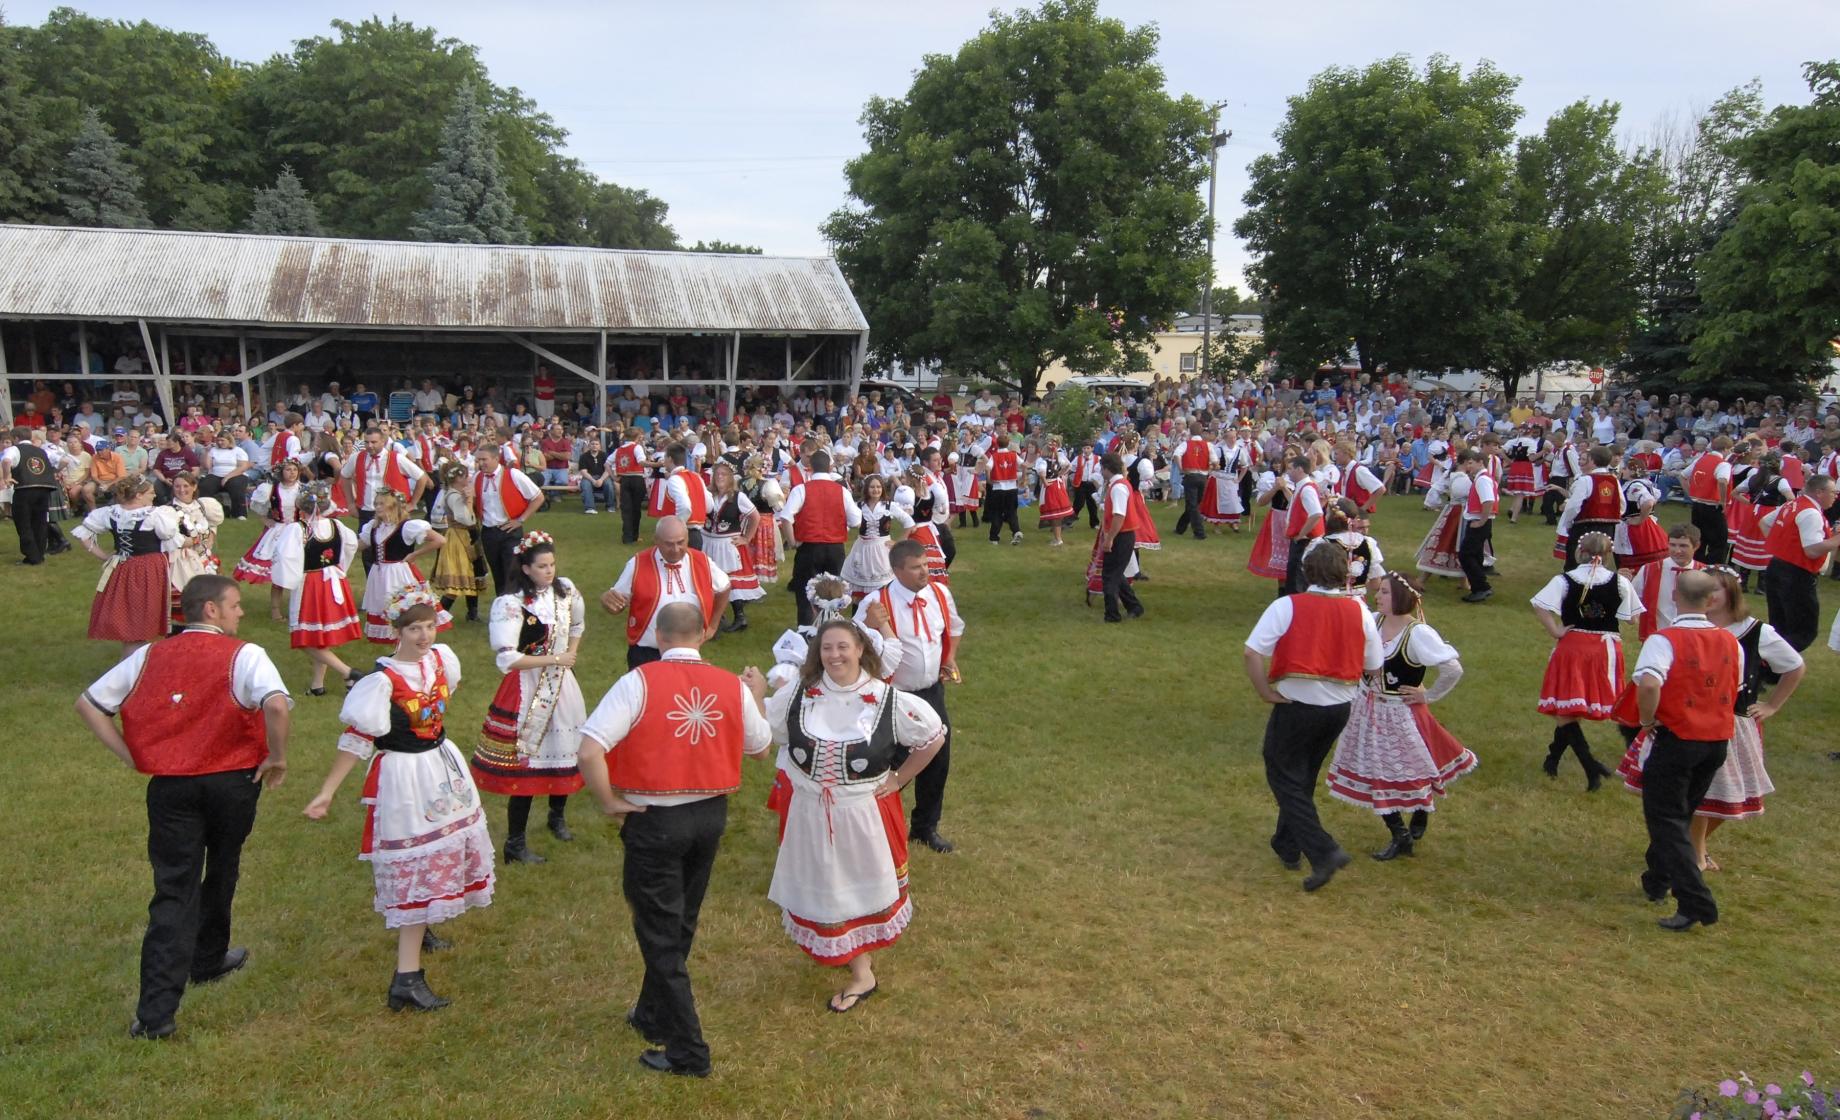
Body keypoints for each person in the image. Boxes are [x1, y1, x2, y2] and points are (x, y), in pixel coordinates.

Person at [74, 574, 291, 1039]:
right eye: (234, 605)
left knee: (174, 889)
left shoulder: (150, 653)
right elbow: (275, 705)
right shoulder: (245, 654)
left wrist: (132, 755)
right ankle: (208, 958)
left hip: (171, 786)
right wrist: (277, 756)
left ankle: (156, 1015)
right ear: (211, 610)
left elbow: (89, 704)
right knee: (224, 863)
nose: (240, 612)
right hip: (233, 781)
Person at [575, 602, 773, 1078]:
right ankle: (651, 1013)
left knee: (659, 932)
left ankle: (688, 1050)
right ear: (704, 634)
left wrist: (609, 802)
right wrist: (758, 696)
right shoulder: (731, 685)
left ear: (658, 637)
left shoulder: (638, 682)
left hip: (655, 818)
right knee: (680, 919)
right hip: (709, 816)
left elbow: (589, 750)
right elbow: (762, 747)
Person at [303, 586, 494, 1009]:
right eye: (414, 629)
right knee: (417, 861)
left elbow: (440, 702)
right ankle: (406, 979)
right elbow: (358, 738)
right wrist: (326, 792)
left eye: (429, 626)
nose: (424, 636)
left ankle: (420, 929)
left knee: (441, 851)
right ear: (397, 630)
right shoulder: (380, 681)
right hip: (404, 776)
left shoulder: (443, 660)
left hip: (440, 765)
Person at [764, 617, 946, 1012]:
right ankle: (851, 960)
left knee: (855, 889)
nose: (835, 655)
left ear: (861, 649)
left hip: (861, 815)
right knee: (826, 885)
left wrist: (898, 778)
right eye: (827, 648)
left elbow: (933, 736)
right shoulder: (799, 694)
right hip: (811, 812)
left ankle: (863, 973)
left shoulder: (886, 699)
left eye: (843, 647)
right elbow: (771, 738)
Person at [1617, 566, 1802, 872]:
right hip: (1685, 719)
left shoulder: (1755, 631)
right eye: (1708, 589)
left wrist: (1772, 705)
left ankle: (1688, 848)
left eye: (1718, 589)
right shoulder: (1687, 627)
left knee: (1721, 796)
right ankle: (1688, 851)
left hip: (1731, 722)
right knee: (1691, 794)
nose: (1711, 595)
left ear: (1732, 592)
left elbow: (1795, 665)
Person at [1243, 544, 1383, 892]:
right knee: (1302, 774)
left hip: (1296, 704)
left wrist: (1264, 691)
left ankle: (1323, 850)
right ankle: (1288, 845)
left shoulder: (1287, 605)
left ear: (1307, 571)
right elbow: (1374, 665)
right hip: (1338, 708)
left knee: (1282, 772)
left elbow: (1252, 652)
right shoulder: (1359, 610)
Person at [1325, 572, 1476, 859]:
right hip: (1368, 708)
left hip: (1399, 712)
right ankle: (1404, 830)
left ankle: (1412, 821)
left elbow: (1452, 669)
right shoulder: (1374, 620)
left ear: (1401, 598)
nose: (1377, 596)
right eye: (1379, 591)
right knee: (1377, 769)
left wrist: (1427, 695)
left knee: (1406, 767)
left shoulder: (1417, 633)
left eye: (1384, 592)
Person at [1628, 571, 1740, 932]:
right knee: (1681, 812)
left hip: (1679, 738)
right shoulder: (1729, 641)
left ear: (1675, 596)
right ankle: (1656, 879)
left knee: (1666, 820)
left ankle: (1696, 902)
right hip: (1717, 742)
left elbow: (1648, 684)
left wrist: (1647, 720)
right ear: (1711, 601)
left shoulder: (1665, 640)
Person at [472, 532, 588, 866]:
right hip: (526, 687)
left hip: (563, 684)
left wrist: (569, 655)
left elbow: (577, 625)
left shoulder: (565, 591)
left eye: (551, 564)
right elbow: (507, 659)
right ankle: (515, 841)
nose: (549, 571)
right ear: (525, 568)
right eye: (541, 566)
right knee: (527, 762)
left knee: (564, 750)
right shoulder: (511, 604)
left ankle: (556, 816)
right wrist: (554, 660)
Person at [857, 539, 966, 854]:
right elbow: (855, 643)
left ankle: (925, 828)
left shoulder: (939, 594)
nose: (925, 572)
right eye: (916, 567)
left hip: (931, 692)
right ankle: (867, 820)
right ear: (897, 570)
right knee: (890, 762)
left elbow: (955, 627)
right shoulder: (877, 602)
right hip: (893, 695)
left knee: (937, 759)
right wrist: (868, 624)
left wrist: (950, 657)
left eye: (926, 565)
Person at [1531, 532, 1641, 790]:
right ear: (1607, 554)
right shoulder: (1618, 582)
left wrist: (1555, 630)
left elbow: (1539, 604)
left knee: (1567, 708)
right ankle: (1554, 760)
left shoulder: (1565, 579)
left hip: (1574, 645)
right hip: (1605, 648)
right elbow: (1631, 619)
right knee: (1569, 709)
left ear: (1580, 551)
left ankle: (1589, 766)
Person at [270, 486, 365, 696]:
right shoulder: (337, 525)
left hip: (311, 584)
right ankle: (317, 686)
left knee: (304, 638)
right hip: (333, 581)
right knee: (319, 636)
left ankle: (348, 672)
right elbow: (350, 546)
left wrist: (289, 578)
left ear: (300, 507)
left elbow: (286, 556)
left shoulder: (298, 529)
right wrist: (338, 568)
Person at [601, 516, 730, 669]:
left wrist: (713, 625)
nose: (676, 549)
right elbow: (616, 603)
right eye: (669, 544)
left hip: (688, 653)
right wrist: (607, 601)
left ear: (688, 538)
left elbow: (724, 587)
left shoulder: (701, 561)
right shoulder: (638, 563)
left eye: (681, 542)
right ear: (656, 540)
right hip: (646, 652)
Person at [72, 476, 182, 654]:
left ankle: (137, 657)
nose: (154, 496)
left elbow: (84, 534)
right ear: (138, 495)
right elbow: (171, 539)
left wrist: (105, 556)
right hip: (148, 569)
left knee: (133, 617)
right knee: (142, 618)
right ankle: (134, 663)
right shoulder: (154, 515)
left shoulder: (112, 512)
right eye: (150, 493)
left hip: (123, 567)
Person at [779, 450, 862, 626]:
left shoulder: (801, 489)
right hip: (835, 547)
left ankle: (806, 630)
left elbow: (786, 517)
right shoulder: (841, 491)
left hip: (809, 547)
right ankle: (831, 627)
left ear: (810, 467)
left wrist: (792, 542)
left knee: (805, 593)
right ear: (830, 467)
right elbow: (856, 521)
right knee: (833, 592)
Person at [357, 490, 451, 644]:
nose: (377, 507)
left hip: (398, 573)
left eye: (382, 504)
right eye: (376, 504)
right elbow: (361, 544)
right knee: (384, 609)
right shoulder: (374, 527)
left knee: (402, 609)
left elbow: (439, 540)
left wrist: (415, 554)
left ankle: (407, 642)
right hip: (379, 574)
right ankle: (398, 648)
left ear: (393, 506)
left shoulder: (406, 527)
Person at [1758, 474, 1840, 651]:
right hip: (1797, 575)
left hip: (1777, 567)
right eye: (1833, 492)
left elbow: (1765, 523)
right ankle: (1768, 664)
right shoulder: (1811, 512)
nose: (1836, 496)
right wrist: (1836, 540)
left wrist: (1784, 548)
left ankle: (1771, 668)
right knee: (1804, 631)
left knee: (1780, 625)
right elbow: (1811, 550)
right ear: (1820, 492)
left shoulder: (1792, 504)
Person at [233, 459, 306, 620]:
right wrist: (267, 521)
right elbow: (259, 509)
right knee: (278, 573)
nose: (292, 473)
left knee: (303, 572)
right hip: (279, 532)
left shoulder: (304, 490)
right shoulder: (271, 489)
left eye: (294, 469)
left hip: (299, 532)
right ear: (281, 472)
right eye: (288, 470)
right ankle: (275, 610)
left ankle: (301, 609)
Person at [471, 443, 545, 596]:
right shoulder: (477, 477)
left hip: (510, 531)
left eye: (484, 459)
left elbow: (538, 497)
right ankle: (502, 610)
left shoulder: (513, 475)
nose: (480, 463)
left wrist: (520, 520)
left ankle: (517, 607)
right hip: (488, 532)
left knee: (512, 573)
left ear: (496, 458)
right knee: (497, 573)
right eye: (478, 460)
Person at [701, 461, 763, 633]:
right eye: (717, 474)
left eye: (724, 474)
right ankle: (716, 615)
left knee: (731, 581)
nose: (720, 477)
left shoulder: (738, 497)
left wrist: (746, 538)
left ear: (731, 478)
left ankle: (740, 617)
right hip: (707, 541)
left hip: (726, 543)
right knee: (710, 579)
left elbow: (755, 517)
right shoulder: (708, 494)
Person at [341, 427, 428, 538]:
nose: (370, 446)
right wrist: (350, 503)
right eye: (366, 442)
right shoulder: (357, 457)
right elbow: (344, 476)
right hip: (367, 511)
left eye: (374, 442)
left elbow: (421, 477)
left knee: (392, 549)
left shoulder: (396, 458)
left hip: (392, 511)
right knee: (367, 548)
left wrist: (412, 503)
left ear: (383, 441)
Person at [430, 461, 487, 624]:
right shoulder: (454, 495)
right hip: (459, 537)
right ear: (457, 478)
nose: (469, 478)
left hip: (468, 536)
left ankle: (472, 614)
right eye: (465, 476)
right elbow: (466, 519)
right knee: (458, 579)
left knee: (472, 575)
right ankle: (438, 616)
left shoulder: (457, 492)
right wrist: (468, 502)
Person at [841, 474, 913, 597]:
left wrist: (899, 542)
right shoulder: (859, 506)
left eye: (879, 487)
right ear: (866, 489)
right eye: (872, 487)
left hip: (882, 549)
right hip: (862, 548)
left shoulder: (889, 506)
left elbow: (909, 522)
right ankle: (859, 613)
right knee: (859, 590)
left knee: (883, 587)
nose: (876, 490)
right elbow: (846, 525)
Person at [1093, 453, 1145, 623]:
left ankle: (1112, 615)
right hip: (1123, 534)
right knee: (1117, 574)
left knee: (1109, 576)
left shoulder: (1118, 488)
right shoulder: (1120, 484)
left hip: (1121, 535)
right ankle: (1134, 606)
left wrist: (1109, 539)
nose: (1101, 471)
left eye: (1102, 468)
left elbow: (1119, 516)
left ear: (1108, 468)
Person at [4, 426, 67, 564]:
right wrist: (53, 472)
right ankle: (39, 554)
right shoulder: (42, 450)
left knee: (24, 522)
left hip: (24, 489)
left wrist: (7, 476)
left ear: (15, 438)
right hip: (44, 489)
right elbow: (65, 460)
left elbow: (6, 460)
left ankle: (32, 557)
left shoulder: (14, 449)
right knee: (40, 522)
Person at [1555, 446, 1624, 570]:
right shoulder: (1614, 480)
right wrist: (1610, 515)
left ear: (1591, 460)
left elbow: (1573, 506)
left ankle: (1576, 585)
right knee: (1600, 560)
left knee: (1577, 560)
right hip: (1608, 528)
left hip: (1585, 526)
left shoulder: (1586, 480)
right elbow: (1622, 505)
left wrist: (1568, 523)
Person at [1629, 525, 1704, 639]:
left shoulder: (1704, 573)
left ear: (1696, 546)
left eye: (1683, 546)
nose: (1677, 551)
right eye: (1672, 545)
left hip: (1694, 637)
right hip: (1657, 636)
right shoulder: (1649, 570)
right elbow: (1633, 599)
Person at [1453, 449, 1497, 602]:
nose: (1469, 466)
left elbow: (1488, 501)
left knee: (1466, 555)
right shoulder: (1482, 478)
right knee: (1475, 555)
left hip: (1478, 522)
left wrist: (1481, 521)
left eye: (1472, 463)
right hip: (1479, 521)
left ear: (1481, 463)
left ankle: (1481, 587)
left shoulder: (1482, 480)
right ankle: (1479, 586)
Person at [1280, 455, 1327, 594]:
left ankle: (1297, 605)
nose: (1288, 472)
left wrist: (1301, 534)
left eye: (1290, 469)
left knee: (1297, 578)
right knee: (1295, 575)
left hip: (1305, 541)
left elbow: (1316, 513)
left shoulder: (1306, 489)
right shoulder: (1303, 487)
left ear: (1299, 469)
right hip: (1303, 539)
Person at [1685, 436, 1734, 565]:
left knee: (1699, 538)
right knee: (1719, 541)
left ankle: (1697, 564)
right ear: (1726, 449)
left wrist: (1690, 492)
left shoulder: (1700, 459)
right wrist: (1722, 500)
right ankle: (1712, 566)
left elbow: (1683, 475)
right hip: (1713, 506)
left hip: (1697, 504)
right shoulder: (1722, 464)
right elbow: (1722, 481)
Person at [1172, 421, 1215, 540]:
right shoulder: (1208, 445)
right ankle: (1180, 528)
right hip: (1203, 477)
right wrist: (1209, 468)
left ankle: (1199, 532)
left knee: (1192, 505)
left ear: (1190, 431)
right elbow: (1215, 461)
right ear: (1201, 432)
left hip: (1190, 475)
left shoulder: (1186, 444)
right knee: (1194, 504)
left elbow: (1176, 455)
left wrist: (1181, 468)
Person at [983, 434, 1023, 544]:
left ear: (997, 444)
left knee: (997, 512)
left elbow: (987, 467)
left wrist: (989, 479)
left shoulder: (994, 456)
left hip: (998, 488)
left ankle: (994, 537)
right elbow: (1023, 465)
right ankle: (1016, 531)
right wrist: (1023, 477)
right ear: (1008, 443)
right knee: (1012, 511)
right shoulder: (1013, 455)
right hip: (1012, 488)